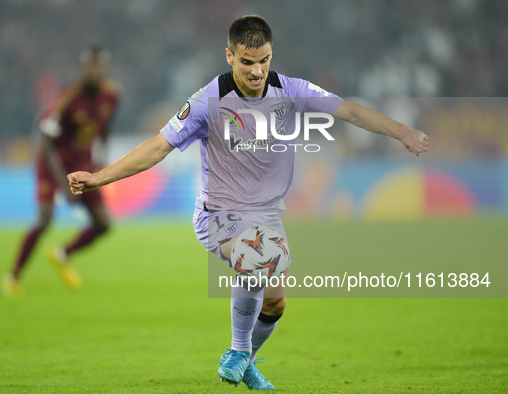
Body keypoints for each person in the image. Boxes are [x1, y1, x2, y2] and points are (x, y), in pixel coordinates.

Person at [67, 16, 428, 390]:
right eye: (247, 62)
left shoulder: (291, 90)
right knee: (257, 258)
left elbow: (350, 111)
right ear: (229, 56)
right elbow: (158, 148)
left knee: (275, 303)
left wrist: (401, 131)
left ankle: (248, 361)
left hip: (266, 216)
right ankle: (239, 351)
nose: (257, 71)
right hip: (218, 214)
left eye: (264, 60)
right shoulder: (208, 101)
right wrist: (99, 178)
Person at [3, 46, 121, 296]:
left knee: (104, 223)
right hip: (52, 162)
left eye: (99, 67)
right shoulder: (66, 98)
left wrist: (102, 158)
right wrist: (62, 183)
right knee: (45, 218)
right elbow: (44, 143)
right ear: (82, 69)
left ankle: (62, 254)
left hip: (83, 164)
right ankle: (13, 276)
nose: (95, 72)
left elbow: (105, 127)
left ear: (105, 69)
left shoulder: (111, 96)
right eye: (90, 67)